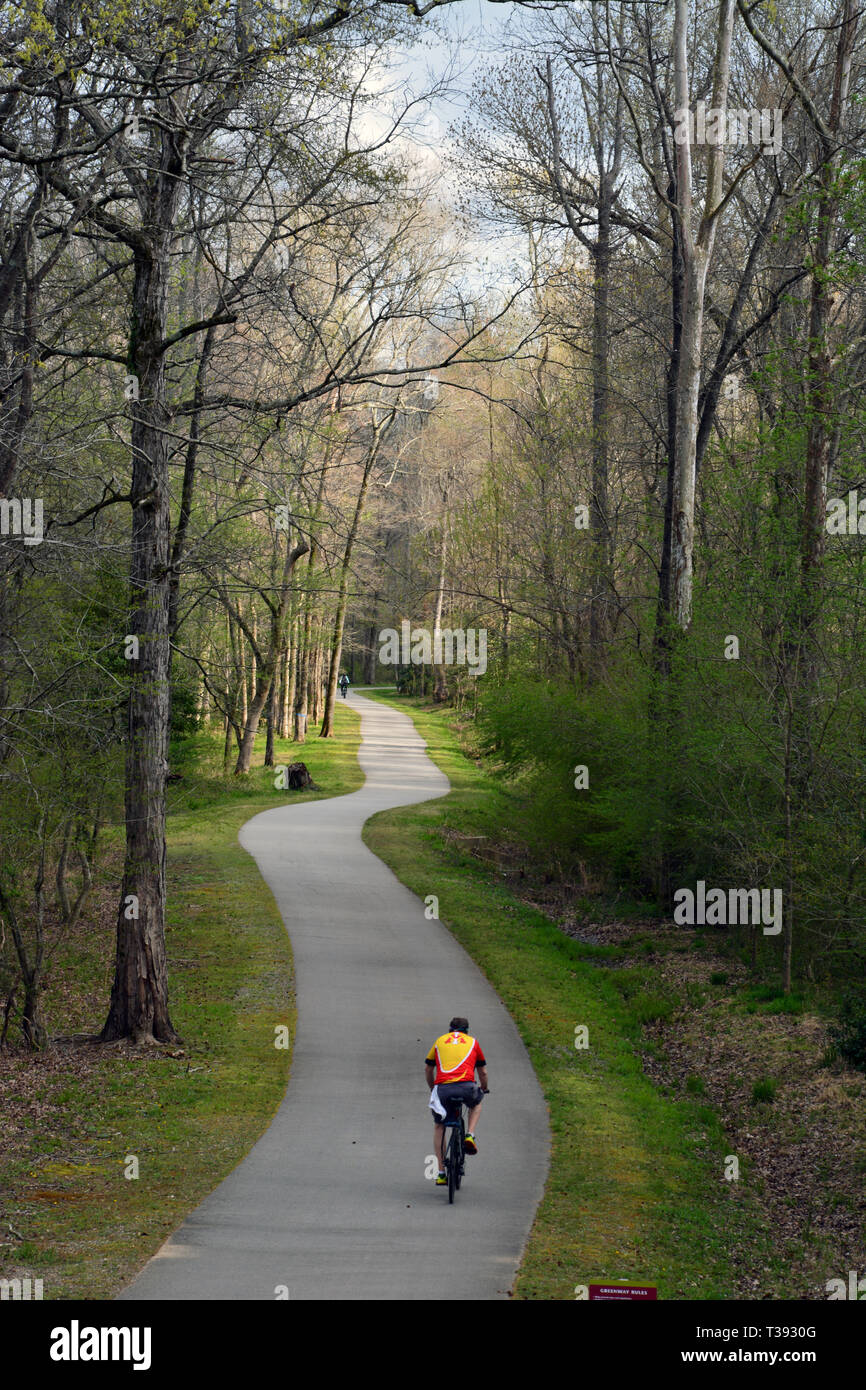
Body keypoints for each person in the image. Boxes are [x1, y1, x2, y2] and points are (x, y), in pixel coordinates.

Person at [425, 1016, 488, 1186]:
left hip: (443, 1089)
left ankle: (440, 1173)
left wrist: (433, 1088)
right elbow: (482, 1072)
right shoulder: (473, 1042)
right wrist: (484, 1088)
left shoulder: (440, 1041)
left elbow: (428, 1068)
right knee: (476, 1105)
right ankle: (470, 1134)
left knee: (439, 1126)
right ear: (466, 1030)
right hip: (467, 1087)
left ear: (449, 1029)